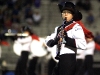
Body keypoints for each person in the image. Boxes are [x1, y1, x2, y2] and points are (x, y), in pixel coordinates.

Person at [45, 2, 87, 75]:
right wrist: (55, 41)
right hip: (59, 59)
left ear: (73, 15)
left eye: (68, 12)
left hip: (69, 58)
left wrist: (66, 39)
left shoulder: (76, 27)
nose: (65, 14)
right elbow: (48, 39)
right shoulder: (58, 28)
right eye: (64, 12)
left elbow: (83, 44)